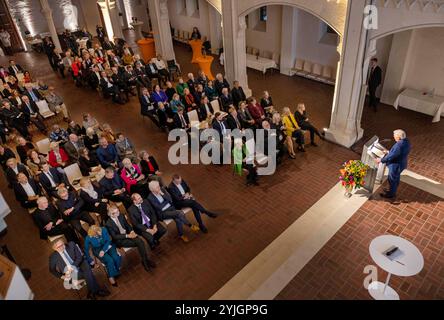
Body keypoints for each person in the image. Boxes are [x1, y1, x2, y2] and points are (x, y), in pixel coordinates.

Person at [105, 205, 156, 272]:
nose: (119, 213)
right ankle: (146, 262)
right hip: (120, 240)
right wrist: (128, 235)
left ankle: (145, 261)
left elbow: (127, 225)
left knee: (140, 242)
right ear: (111, 214)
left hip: (129, 234)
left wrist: (131, 231)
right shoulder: (108, 224)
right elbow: (115, 236)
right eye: (116, 212)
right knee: (140, 243)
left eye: (118, 211)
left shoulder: (121, 215)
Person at [377, 129, 411, 199]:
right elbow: (398, 153)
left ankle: (391, 194)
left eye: (394, 136)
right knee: (396, 178)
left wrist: (381, 160)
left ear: (398, 137)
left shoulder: (399, 145)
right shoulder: (406, 141)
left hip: (396, 165)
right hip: (402, 163)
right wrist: (389, 152)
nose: (393, 137)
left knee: (392, 179)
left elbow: (392, 156)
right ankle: (392, 190)